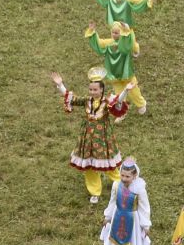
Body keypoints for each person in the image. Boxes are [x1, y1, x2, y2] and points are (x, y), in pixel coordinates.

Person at [49, 68, 128, 202]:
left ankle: (123, 184)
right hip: (87, 137)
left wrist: (126, 90)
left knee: (109, 164)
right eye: (90, 89)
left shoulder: (107, 101)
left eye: (95, 90)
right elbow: (71, 99)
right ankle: (95, 192)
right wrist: (60, 85)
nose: (92, 92)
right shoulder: (86, 100)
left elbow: (118, 101)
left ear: (101, 90)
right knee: (89, 166)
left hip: (103, 137)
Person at [100, 158, 153, 245]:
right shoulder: (116, 185)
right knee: (117, 243)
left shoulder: (139, 189)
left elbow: (144, 207)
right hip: (118, 218)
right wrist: (108, 216)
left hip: (132, 221)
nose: (124, 179)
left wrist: (145, 224)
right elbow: (112, 201)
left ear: (134, 176)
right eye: (122, 175)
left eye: (127, 176)